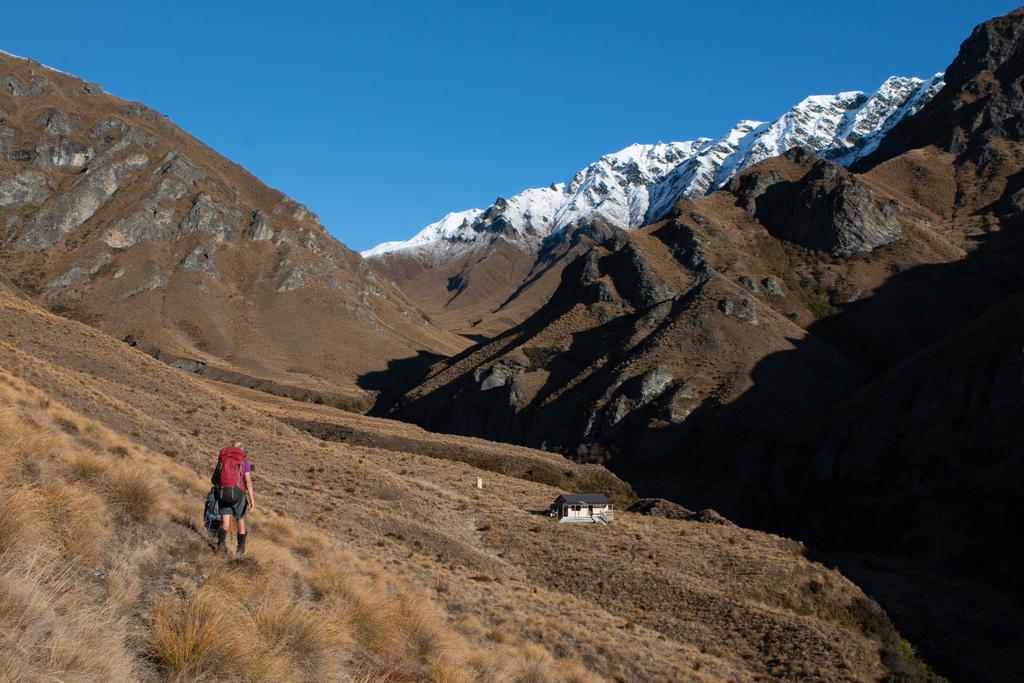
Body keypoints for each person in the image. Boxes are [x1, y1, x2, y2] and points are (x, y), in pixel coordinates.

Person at [212, 439, 256, 555]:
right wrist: (252, 501)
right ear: (241, 449)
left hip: (223, 493)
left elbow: (214, 479)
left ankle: (220, 547)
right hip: (238, 495)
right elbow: (248, 482)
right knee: (240, 521)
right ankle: (240, 551)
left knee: (224, 523)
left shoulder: (223, 459)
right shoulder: (244, 462)